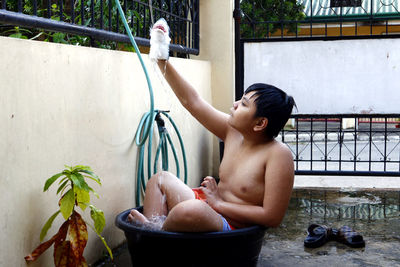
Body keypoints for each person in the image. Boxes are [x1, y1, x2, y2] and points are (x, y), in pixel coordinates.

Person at [128, 19, 296, 232]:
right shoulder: (233, 131)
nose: (235, 104)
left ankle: (152, 232)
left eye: (243, 104)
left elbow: (272, 217)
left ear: (260, 123)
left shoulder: (278, 156)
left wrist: (218, 204)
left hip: (232, 226)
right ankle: (154, 233)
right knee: (160, 180)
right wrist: (162, 57)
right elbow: (193, 102)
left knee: (190, 211)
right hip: (210, 206)